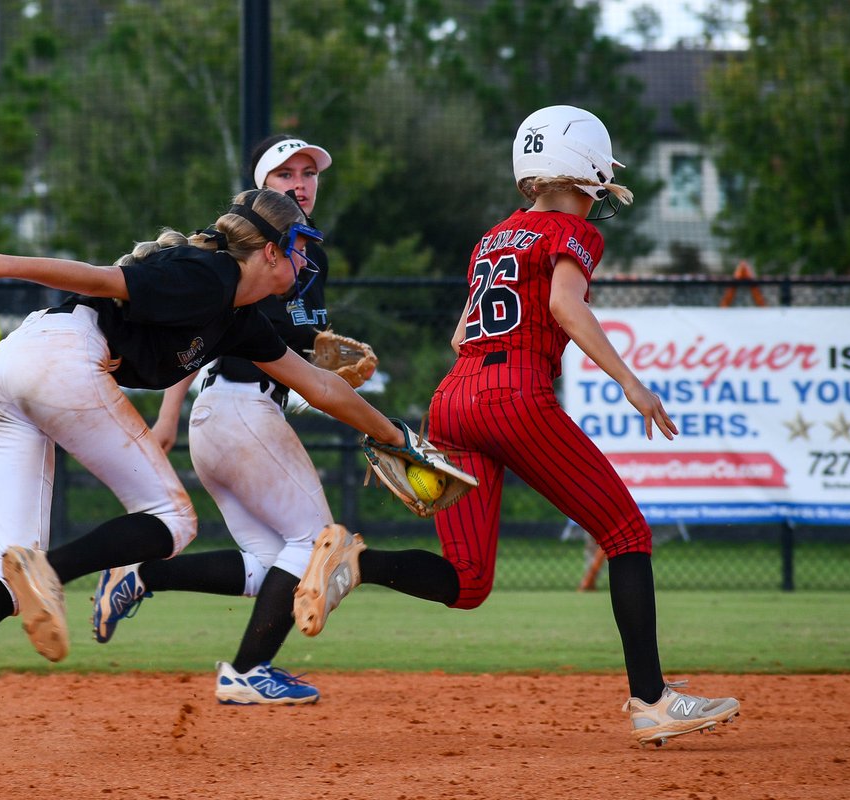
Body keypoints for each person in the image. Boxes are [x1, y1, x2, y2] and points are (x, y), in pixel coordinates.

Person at [0, 188, 408, 763]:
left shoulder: (237, 319)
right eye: (299, 246)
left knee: (6, 567)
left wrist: (396, 437)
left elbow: (317, 385)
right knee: (173, 519)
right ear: (268, 250)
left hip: (13, 371)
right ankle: (46, 573)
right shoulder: (207, 273)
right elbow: (99, 279)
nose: (304, 260)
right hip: (60, 356)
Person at [292, 105, 740, 748]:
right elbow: (562, 303)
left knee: (468, 581)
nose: (599, 192)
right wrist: (629, 381)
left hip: (454, 397)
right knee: (626, 532)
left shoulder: (495, 236)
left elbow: (459, 332)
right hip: (512, 395)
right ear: (582, 170)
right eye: (597, 179)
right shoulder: (574, 231)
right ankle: (653, 701)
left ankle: (356, 563)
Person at [89, 135, 367, 706]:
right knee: (315, 544)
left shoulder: (313, 254)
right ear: (262, 192)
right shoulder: (243, 253)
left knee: (269, 568)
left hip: (230, 414)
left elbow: (279, 344)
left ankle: (141, 575)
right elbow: (198, 332)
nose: (300, 181)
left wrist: (317, 353)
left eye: (309, 171)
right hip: (237, 408)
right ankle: (246, 672)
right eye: (285, 173)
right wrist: (167, 415)